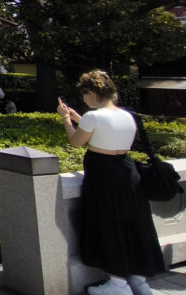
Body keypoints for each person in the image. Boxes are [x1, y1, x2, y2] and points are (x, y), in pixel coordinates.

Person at [57, 70, 164, 295]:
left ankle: (117, 284)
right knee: (133, 225)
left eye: (85, 94)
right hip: (128, 171)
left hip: (103, 175)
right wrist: (80, 118)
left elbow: (76, 142)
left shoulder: (93, 117)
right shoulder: (128, 115)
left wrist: (66, 119)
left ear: (93, 93)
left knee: (109, 225)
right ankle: (139, 281)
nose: (84, 98)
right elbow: (104, 131)